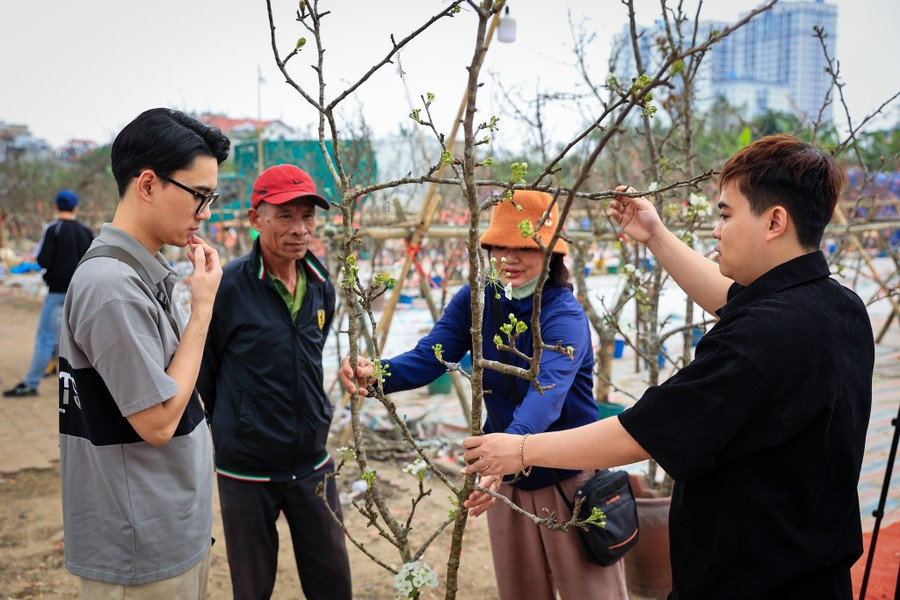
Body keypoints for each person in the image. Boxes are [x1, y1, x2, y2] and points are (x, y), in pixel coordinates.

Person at [461, 135, 874, 598]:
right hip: (815, 571)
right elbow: (731, 300)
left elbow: (641, 432)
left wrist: (519, 450)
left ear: (774, 221)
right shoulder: (839, 307)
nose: (716, 230)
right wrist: (655, 235)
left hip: (748, 583)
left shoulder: (760, 339)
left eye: (726, 214)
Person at [339, 191, 628, 600]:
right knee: (521, 589)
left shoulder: (563, 314)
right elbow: (430, 356)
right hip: (505, 474)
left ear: (551, 253)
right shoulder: (478, 299)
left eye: (525, 247)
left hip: (567, 474)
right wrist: (377, 374)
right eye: (500, 247)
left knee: (591, 591)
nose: (510, 258)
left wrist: (509, 449)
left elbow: (547, 394)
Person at [57, 108, 229, 598]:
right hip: (141, 548)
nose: (206, 213)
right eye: (199, 196)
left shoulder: (140, 272)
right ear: (148, 184)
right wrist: (202, 309)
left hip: (165, 529)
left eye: (211, 198)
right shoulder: (112, 285)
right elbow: (157, 423)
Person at [197, 164, 352, 600]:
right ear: (256, 219)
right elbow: (205, 371)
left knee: (333, 583)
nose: (300, 229)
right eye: (285, 216)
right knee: (253, 588)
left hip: (312, 459)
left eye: (307, 216)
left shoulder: (321, 284)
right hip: (246, 466)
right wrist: (237, 425)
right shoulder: (228, 287)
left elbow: (310, 355)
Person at [4, 190, 93, 397]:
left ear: (55, 206)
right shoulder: (86, 231)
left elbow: (43, 260)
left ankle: (30, 383)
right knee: (73, 338)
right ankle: (59, 369)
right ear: (76, 207)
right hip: (79, 294)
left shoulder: (53, 229)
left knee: (45, 337)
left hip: (57, 292)